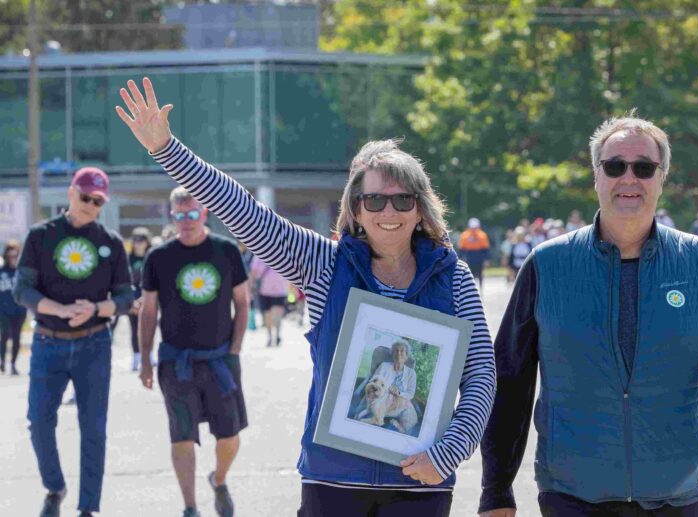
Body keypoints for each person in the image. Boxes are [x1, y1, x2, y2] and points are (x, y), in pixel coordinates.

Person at [116, 76, 495, 516]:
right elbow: (246, 214)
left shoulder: (455, 279)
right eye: (374, 201)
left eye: (401, 200)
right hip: (331, 480)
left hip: (420, 484)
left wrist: (448, 453)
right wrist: (167, 149)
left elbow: (481, 376)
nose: (388, 212)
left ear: (421, 207)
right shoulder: (323, 264)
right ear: (355, 209)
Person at [479, 113, 698, 517]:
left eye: (644, 168)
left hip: (683, 493)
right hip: (573, 494)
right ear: (596, 176)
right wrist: (496, 488)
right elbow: (509, 379)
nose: (628, 178)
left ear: (661, 177)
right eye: (614, 166)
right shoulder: (547, 264)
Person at [13, 167, 133, 517]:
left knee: (93, 427)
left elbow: (126, 297)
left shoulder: (110, 242)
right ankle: (55, 488)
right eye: (85, 198)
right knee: (39, 421)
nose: (91, 206)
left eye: (98, 201)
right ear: (71, 193)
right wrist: (60, 310)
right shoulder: (40, 236)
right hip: (48, 342)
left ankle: (88, 507)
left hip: (94, 342)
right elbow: (23, 289)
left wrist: (96, 308)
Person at [138, 187, 250, 517]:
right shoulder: (158, 258)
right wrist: (145, 360)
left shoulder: (226, 251)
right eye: (179, 216)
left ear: (204, 214)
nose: (186, 221)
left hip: (220, 359)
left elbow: (242, 304)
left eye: (192, 214)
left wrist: (235, 350)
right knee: (182, 436)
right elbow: (147, 312)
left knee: (228, 435)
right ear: (171, 216)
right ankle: (190, 507)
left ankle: (219, 478)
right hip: (176, 361)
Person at [119, 227, 152, 371]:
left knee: (149, 327)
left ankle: (149, 355)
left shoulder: (151, 257)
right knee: (134, 328)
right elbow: (125, 281)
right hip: (133, 299)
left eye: (142, 240)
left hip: (149, 298)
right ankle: (136, 356)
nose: (138, 243)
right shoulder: (128, 259)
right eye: (136, 240)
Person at [0, 240, 26, 375]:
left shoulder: (21, 272)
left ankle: (13, 364)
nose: (12, 259)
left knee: (16, 338)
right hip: (3, 310)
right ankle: (2, 362)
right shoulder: (1, 271)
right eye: (10, 256)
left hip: (19, 310)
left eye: (15, 256)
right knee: (4, 336)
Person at [250, 256, 289, 347]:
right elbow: (253, 273)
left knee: (273, 315)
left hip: (275, 291)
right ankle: (273, 336)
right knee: (271, 315)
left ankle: (274, 336)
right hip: (270, 291)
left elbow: (253, 273)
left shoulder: (261, 254)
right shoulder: (283, 254)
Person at [458, 217, 491, 289]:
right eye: (472, 227)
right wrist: (461, 258)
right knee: (469, 272)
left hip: (479, 255)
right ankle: (470, 287)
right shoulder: (465, 235)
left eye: (475, 227)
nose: (474, 229)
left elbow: (485, 249)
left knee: (480, 273)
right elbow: (461, 249)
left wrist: (487, 259)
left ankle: (481, 287)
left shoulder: (482, 235)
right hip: (469, 255)